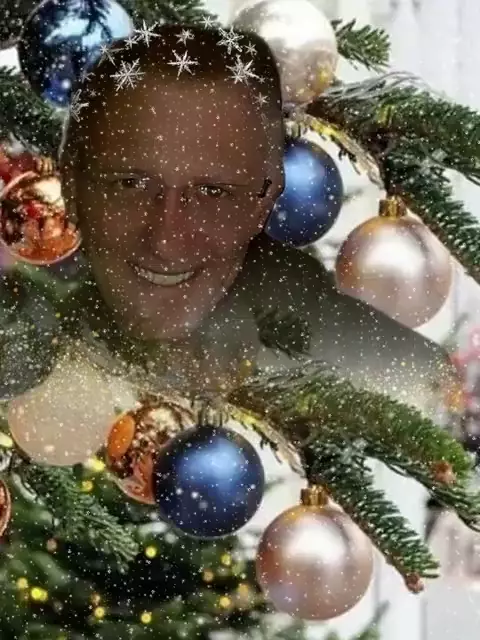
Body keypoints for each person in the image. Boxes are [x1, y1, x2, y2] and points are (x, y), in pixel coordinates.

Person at [0, 24, 455, 420]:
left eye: (213, 193)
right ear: (72, 184)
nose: (166, 239)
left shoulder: (378, 368)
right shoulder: (33, 345)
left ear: (266, 197)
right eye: (130, 184)